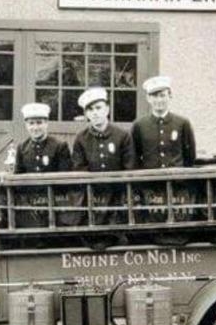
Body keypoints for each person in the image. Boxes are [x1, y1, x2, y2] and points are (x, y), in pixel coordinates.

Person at [131, 76, 198, 242]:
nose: (159, 100)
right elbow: (135, 156)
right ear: (148, 98)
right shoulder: (140, 125)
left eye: (162, 95)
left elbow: (190, 155)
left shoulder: (182, 123)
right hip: (151, 186)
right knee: (154, 224)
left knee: (179, 223)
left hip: (178, 186)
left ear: (170, 96)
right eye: (154, 96)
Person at [71, 88, 135, 248]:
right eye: (90, 110)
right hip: (92, 198)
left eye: (98, 108)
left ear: (107, 109)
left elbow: (129, 168)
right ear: (86, 114)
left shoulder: (122, 135)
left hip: (117, 197)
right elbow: (79, 169)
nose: (95, 113)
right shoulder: (81, 138)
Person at [13, 102, 72, 232]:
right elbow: (18, 177)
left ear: (46, 123)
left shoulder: (59, 146)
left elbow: (65, 180)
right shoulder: (22, 148)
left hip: (55, 202)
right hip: (30, 204)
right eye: (31, 123)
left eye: (39, 122)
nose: (35, 127)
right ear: (26, 125)